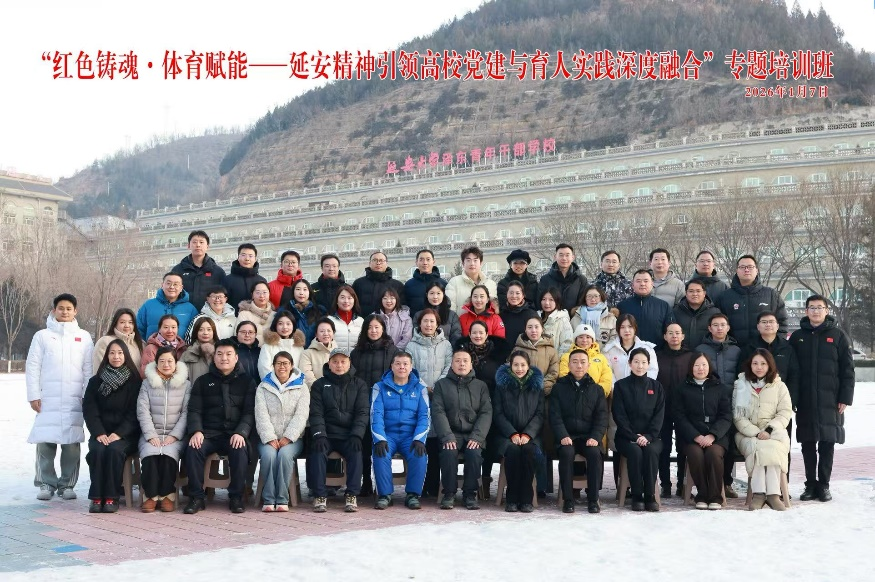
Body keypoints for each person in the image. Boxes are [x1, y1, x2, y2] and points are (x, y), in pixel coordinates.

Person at [27, 294, 94, 501]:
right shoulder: (42, 336)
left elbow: (89, 369)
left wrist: (87, 395)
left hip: (74, 399)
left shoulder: (84, 337)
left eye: (69, 308)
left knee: (71, 444)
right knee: (45, 442)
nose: (65, 312)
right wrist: (33, 395)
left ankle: (67, 484)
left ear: (75, 311)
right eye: (61, 308)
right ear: (53, 310)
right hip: (48, 398)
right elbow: (33, 366)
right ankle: (45, 483)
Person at [789, 295, 854, 502]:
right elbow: (792, 371)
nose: (816, 311)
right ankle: (810, 485)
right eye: (812, 307)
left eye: (820, 307)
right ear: (806, 311)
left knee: (827, 442)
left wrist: (845, 397)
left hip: (831, 400)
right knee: (807, 443)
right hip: (805, 399)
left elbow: (848, 370)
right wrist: (793, 398)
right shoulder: (797, 336)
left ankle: (824, 485)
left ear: (827, 310)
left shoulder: (838, 336)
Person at [183, 339, 257, 514]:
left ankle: (236, 497)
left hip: (234, 433)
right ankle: (196, 497)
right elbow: (194, 410)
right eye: (220, 354)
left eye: (229, 354)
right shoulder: (202, 381)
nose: (224, 358)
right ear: (214, 357)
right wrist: (196, 431)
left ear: (236, 358)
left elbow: (249, 412)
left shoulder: (247, 382)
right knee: (193, 448)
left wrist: (241, 432)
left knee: (240, 449)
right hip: (208, 433)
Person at [738, 311, 800, 479]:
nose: (768, 325)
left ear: (777, 326)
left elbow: (794, 376)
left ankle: (781, 484)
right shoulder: (749, 348)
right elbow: (742, 377)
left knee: (782, 446)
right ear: (758, 326)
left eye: (771, 322)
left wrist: (790, 402)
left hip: (779, 408)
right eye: (764, 322)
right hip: (754, 410)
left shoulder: (787, 348)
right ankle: (759, 485)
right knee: (759, 447)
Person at [307, 348, 370, 512]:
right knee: (317, 451)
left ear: (349, 363)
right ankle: (319, 495)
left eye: (343, 361)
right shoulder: (319, 385)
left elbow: (362, 412)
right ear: (329, 364)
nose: (339, 365)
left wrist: (357, 434)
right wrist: (319, 434)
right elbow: (316, 413)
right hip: (327, 434)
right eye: (335, 362)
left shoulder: (360, 384)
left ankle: (352, 494)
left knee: (356, 452)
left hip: (349, 435)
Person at [83, 340, 141, 513]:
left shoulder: (134, 382)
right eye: (112, 353)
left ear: (126, 356)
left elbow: (134, 413)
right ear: (107, 356)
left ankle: (111, 497)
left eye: (120, 353)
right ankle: (96, 497)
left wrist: (119, 433)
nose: (116, 357)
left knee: (114, 450)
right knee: (98, 450)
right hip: (101, 433)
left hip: (125, 435)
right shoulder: (95, 381)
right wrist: (99, 432)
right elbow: (90, 410)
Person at [733, 349, 793, 510]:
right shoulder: (740, 385)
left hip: (774, 431)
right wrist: (756, 432)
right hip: (747, 433)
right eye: (755, 363)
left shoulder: (779, 386)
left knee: (772, 447)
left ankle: (773, 495)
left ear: (770, 365)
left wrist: (769, 430)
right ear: (750, 365)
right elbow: (738, 416)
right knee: (757, 446)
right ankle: (759, 494)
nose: (759, 367)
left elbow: (785, 412)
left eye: (763, 363)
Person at [433, 349, 492, 510]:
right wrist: (447, 436)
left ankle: (470, 494)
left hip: (473, 434)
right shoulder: (441, 385)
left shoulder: (480, 386)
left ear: (471, 364)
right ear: (451, 364)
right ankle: (449, 493)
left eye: (465, 361)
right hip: (451, 433)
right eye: (458, 361)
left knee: (474, 453)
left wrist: (477, 437)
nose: (462, 364)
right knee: (448, 452)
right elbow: (438, 412)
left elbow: (486, 412)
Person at [453, 320, 507, 497]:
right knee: (472, 443)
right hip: (467, 402)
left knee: (487, 441)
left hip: (491, 402)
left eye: (481, 332)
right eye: (474, 332)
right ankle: (469, 482)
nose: (477, 336)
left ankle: (485, 479)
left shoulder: (497, 353)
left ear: (487, 334)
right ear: (469, 334)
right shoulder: (462, 353)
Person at [551, 349, 608, 513]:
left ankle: (593, 499)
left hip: (588, 437)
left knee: (594, 454)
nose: (579, 366)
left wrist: (595, 437)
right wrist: (563, 435)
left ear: (588, 365)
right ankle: (568, 499)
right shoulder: (559, 388)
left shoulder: (596, 390)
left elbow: (601, 417)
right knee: (566, 453)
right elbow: (555, 416)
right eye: (575, 362)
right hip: (567, 437)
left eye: (583, 362)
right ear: (569, 365)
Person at [371, 352, 430, 510]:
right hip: (388, 435)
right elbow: (376, 415)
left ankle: (412, 495)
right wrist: (380, 438)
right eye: (398, 363)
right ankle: (385, 495)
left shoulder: (420, 388)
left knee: (419, 454)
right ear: (392, 366)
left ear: (411, 367)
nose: (401, 367)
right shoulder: (379, 387)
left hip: (409, 436)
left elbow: (424, 416)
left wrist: (419, 439)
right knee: (380, 453)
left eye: (405, 364)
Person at [674, 352, 732, 510]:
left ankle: (715, 497)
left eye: (704, 365)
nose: (700, 368)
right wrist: (696, 436)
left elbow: (726, 416)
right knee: (696, 454)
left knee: (714, 454)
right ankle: (702, 494)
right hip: (691, 437)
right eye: (697, 365)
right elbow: (679, 416)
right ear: (691, 367)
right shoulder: (682, 388)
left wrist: (713, 435)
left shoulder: (720, 388)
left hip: (716, 437)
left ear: (709, 367)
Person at [603, 315, 658, 483]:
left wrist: (641, 390)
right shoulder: (609, 349)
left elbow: (652, 371)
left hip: (643, 399)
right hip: (618, 398)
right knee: (617, 435)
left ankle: (642, 483)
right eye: (622, 327)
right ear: (617, 329)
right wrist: (619, 390)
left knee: (642, 442)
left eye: (630, 327)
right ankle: (621, 483)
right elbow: (608, 373)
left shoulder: (646, 348)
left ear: (635, 328)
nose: (626, 330)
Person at [350, 315, 399, 497]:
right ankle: (366, 481)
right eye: (370, 327)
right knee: (363, 443)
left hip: (384, 402)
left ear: (383, 329)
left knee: (379, 442)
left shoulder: (392, 351)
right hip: (361, 402)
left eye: (377, 327)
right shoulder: (357, 352)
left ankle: (382, 483)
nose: (373, 330)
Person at [137, 346, 191, 512]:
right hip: (151, 433)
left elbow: (186, 412)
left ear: (176, 363)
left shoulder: (185, 385)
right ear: (156, 363)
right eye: (162, 361)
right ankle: (150, 495)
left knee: (168, 457)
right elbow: (142, 410)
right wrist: (150, 435)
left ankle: (168, 494)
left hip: (175, 435)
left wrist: (175, 436)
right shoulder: (147, 383)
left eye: (170, 361)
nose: (166, 365)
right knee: (150, 456)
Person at [254, 351, 309, 512]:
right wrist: (269, 437)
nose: (282, 366)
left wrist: (289, 437)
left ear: (292, 366)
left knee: (284, 455)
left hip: (293, 439)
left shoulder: (301, 387)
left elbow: (301, 415)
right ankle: (269, 499)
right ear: (273, 366)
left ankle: (282, 498)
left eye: (285, 363)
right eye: (278, 363)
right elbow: (261, 414)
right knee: (269, 456)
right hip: (268, 438)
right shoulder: (263, 387)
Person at [612, 348, 665, 512]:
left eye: (643, 362)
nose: (640, 366)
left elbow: (659, 416)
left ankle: (650, 496)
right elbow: (619, 415)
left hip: (652, 437)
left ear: (648, 365)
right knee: (635, 451)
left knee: (650, 451)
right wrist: (634, 436)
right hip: (625, 437)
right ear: (629, 364)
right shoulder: (620, 386)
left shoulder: (656, 387)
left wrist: (648, 436)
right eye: (636, 362)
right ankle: (636, 495)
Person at [696, 313, 742, 498]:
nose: (719, 328)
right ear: (709, 328)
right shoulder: (700, 349)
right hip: (707, 401)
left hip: (731, 401)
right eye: (715, 325)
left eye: (723, 325)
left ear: (728, 328)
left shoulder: (736, 350)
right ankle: (705, 483)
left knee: (728, 444)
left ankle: (726, 482)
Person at [407, 308, 453, 497]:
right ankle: (420, 485)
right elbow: (410, 369)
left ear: (437, 324)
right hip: (419, 396)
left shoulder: (446, 344)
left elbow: (449, 366)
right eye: (425, 321)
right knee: (423, 438)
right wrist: (424, 387)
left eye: (432, 321)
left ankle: (433, 485)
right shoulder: (411, 345)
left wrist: (438, 386)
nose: (428, 325)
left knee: (436, 440)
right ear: (419, 324)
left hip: (440, 396)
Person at [493, 351, 545, 513]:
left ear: (529, 366)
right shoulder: (501, 386)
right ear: (510, 366)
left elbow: (540, 414)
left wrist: (528, 434)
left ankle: (526, 499)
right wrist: (512, 433)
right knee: (513, 451)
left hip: (531, 436)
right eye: (516, 365)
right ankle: (512, 498)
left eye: (523, 365)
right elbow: (498, 413)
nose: (519, 368)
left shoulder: (536, 386)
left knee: (529, 451)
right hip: (506, 436)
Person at [655, 323, 695, 498]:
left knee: (683, 447)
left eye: (677, 333)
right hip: (662, 408)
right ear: (665, 336)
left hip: (684, 409)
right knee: (663, 447)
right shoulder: (657, 355)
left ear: (683, 336)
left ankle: (682, 484)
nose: (674, 336)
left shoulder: (690, 356)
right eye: (670, 333)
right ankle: (665, 484)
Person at [716, 255, 788, 345]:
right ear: (737, 271)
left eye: (750, 267)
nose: (746, 270)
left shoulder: (771, 295)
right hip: (734, 349)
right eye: (742, 267)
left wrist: (776, 345)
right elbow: (717, 324)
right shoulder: (725, 297)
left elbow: (782, 322)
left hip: (765, 350)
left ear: (757, 270)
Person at [617, 269, 674, 349]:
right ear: (633, 285)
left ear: (652, 284)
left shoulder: (663, 306)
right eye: (638, 281)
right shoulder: (622, 306)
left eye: (646, 281)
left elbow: (670, 330)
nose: (642, 284)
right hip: (630, 352)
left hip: (657, 352)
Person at [172, 230, 227, 311]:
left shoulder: (218, 272)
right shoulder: (178, 270)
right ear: (189, 246)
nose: (198, 245)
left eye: (201, 242)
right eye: (194, 242)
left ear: (207, 246)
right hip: (183, 313)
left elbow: (223, 296)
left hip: (209, 314)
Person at [136, 272, 199, 339]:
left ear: (181, 288)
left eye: (175, 284)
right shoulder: (148, 305)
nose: (171, 287)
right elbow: (138, 329)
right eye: (168, 283)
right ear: (162, 285)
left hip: (182, 346)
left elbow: (196, 333)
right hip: (152, 345)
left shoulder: (190, 309)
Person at [558, 324, 613, 397]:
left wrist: (597, 393)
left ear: (592, 340)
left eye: (588, 337)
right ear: (576, 340)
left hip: (596, 397)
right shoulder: (567, 357)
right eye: (581, 337)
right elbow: (563, 375)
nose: (584, 340)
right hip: (573, 397)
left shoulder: (601, 358)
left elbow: (606, 378)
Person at [513, 317, 559, 395]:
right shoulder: (517, 349)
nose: (533, 330)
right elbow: (510, 369)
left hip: (542, 393)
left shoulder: (551, 351)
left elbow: (553, 373)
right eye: (530, 327)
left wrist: (541, 387)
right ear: (525, 330)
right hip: (520, 393)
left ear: (542, 329)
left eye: (536, 327)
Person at [445, 246, 498, 314]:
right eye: (468, 260)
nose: (472, 263)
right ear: (463, 263)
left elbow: (495, 310)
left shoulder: (491, 284)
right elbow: (450, 310)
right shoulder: (454, 282)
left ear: (480, 263)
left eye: (475, 260)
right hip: (461, 320)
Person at [352, 251, 406, 317]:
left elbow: (402, 307)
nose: (378, 263)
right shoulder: (359, 283)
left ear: (386, 263)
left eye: (381, 260)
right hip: (362, 321)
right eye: (375, 260)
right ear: (369, 263)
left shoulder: (397, 285)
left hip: (389, 322)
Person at [258, 310, 306, 381]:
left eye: (288, 324)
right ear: (275, 326)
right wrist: (277, 384)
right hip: (272, 385)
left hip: (296, 385)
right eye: (280, 324)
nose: (285, 327)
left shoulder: (299, 347)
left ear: (293, 326)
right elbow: (264, 369)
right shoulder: (267, 347)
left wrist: (293, 383)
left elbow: (302, 370)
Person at [538, 243, 588, 311]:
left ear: (573, 257)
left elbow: (584, 303)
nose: (564, 258)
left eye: (567, 255)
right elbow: (539, 302)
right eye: (561, 255)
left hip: (574, 317)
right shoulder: (545, 280)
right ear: (555, 257)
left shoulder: (581, 280)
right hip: (551, 317)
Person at [673, 280, 721, 349]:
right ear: (686, 293)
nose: (695, 294)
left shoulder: (714, 312)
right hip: (682, 352)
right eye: (691, 291)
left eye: (698, 291)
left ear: (704, 293)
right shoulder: (676, 311)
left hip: (707, 352)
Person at [93, 308, 143, 372]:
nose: (127, 325)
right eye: (122, 322)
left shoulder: (141, 344)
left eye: (130, 322)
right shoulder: (105, 342)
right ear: (115, 323)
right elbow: (100, 370)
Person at [224, 243, 268, 315]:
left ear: (255, 259)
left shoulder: (261, 281)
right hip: (234, 319)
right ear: (238, 257)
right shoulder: (227, 280)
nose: (247, 259)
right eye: (243, 255)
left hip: (257, 319)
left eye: (250, 256)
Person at [500, 281, 538, 356]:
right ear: (506, 294)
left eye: (517, 293)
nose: (514, 296)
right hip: (504, 355)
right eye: (511, 293)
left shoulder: (531, 314)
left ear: (523, 295)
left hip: (524, 355)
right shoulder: (502, 314)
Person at [300, 317, 339, 386]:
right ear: (316, 334)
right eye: (322, 331)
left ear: (333, 333)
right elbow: (307, 376)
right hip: (316, 391)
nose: (326, 334)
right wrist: (320, 389)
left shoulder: (339, 352)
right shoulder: (307, 354)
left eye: (329, 331)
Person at [403, 249, 444, 315]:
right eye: (421, 260)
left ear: (433, 262)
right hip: (415, 320)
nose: (425, 263)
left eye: (428, 259)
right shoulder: (409, 285)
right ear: (416, 262)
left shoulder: (443, 283)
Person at [286, 279, 326, 346]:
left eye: (305, 289)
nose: (301, 293)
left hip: (313, 350)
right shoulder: (285, 310)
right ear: (293, 291)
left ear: (309, 292)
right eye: (298, 289)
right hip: (292, 349)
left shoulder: (319, 311)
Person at [236, 281, 275, 346]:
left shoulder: (274, 315)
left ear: (269, 294)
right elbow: (239, 336)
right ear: (252, 295)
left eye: (265, 292)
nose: (261, 296)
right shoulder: (244, 314)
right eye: (258, 293)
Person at [328, 285, 365, 353]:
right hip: (335, 359)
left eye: (349, 298)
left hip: (356, 359)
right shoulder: (329, 321)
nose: (346, 301)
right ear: (337, 300)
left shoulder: (361, 321)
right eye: (342, 297)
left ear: (354, 300)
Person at [181, 317, 217, 383]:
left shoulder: (221, 351)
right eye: (201, 330)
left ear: (213, 332)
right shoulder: (187, 354)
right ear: (196, 332)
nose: (205, 333)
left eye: (209, 329)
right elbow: (180, 379)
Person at [539, 287, 573, 354]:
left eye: (551, 300)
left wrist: (556, 359)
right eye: (544, 299)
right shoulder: (536, 317)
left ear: (557, 301)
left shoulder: (562, 320)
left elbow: (567, 343)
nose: (547, 303)